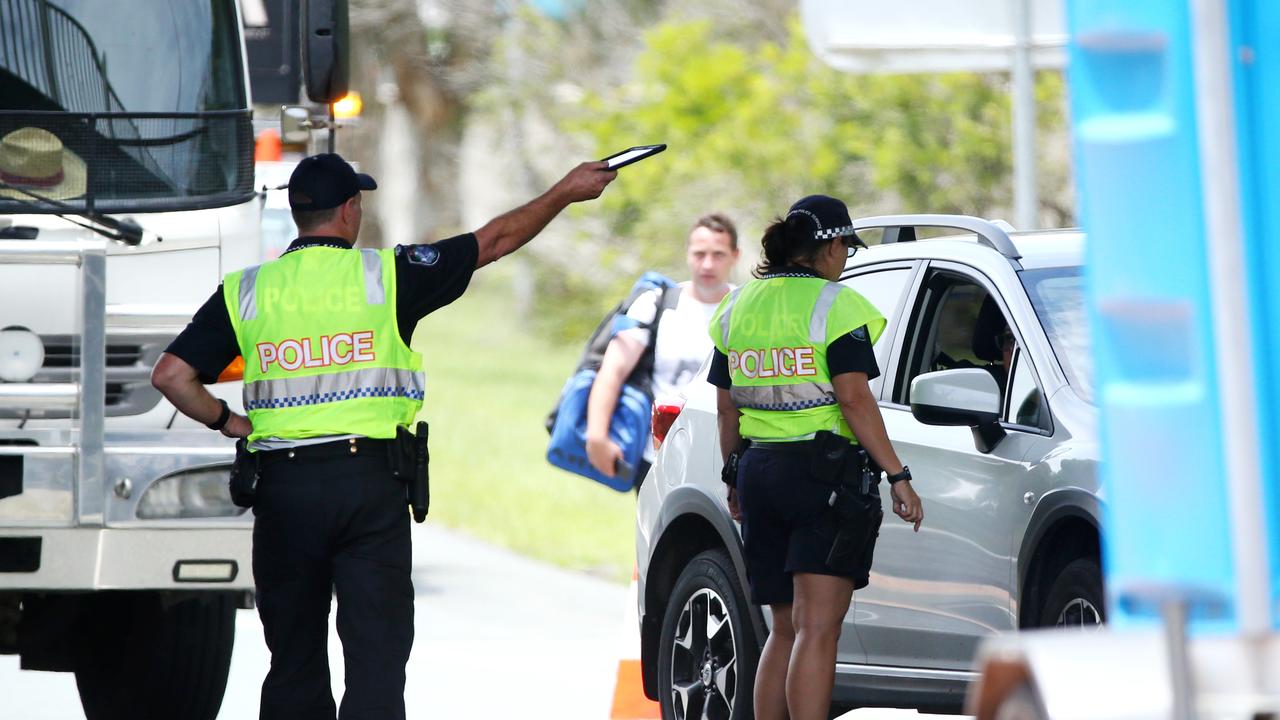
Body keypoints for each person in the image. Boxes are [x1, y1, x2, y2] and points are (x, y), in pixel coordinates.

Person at [150, 153, 616, 720]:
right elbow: (492, 241)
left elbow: (172, 375)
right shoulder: (388, 276)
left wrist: (231, 423)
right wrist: (564, 192)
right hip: (368, 487)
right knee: (375, 662)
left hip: (285, 491)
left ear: (300, 215)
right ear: (349, 211)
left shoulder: (248, 291)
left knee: (294, 662)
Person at [707, 195, 924, 720]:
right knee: (819, 629)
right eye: (845, 248)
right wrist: (898, 475)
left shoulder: (737, 305)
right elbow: (853, 398)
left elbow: (725, 407)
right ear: (826, 247)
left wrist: (734, 475)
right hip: (821, 476)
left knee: (783, 629)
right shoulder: (837, 304)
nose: (846, 258)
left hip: (759, 471)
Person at [584, 213, 740, 488]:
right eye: (699, 253)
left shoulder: (744, 307)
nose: (707, 263)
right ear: (687, 253)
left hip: (726, 454)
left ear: (735, 256)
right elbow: (613, 371)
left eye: (718, 254)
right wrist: (597, 436)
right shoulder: (657, 303)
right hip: (659, 456)